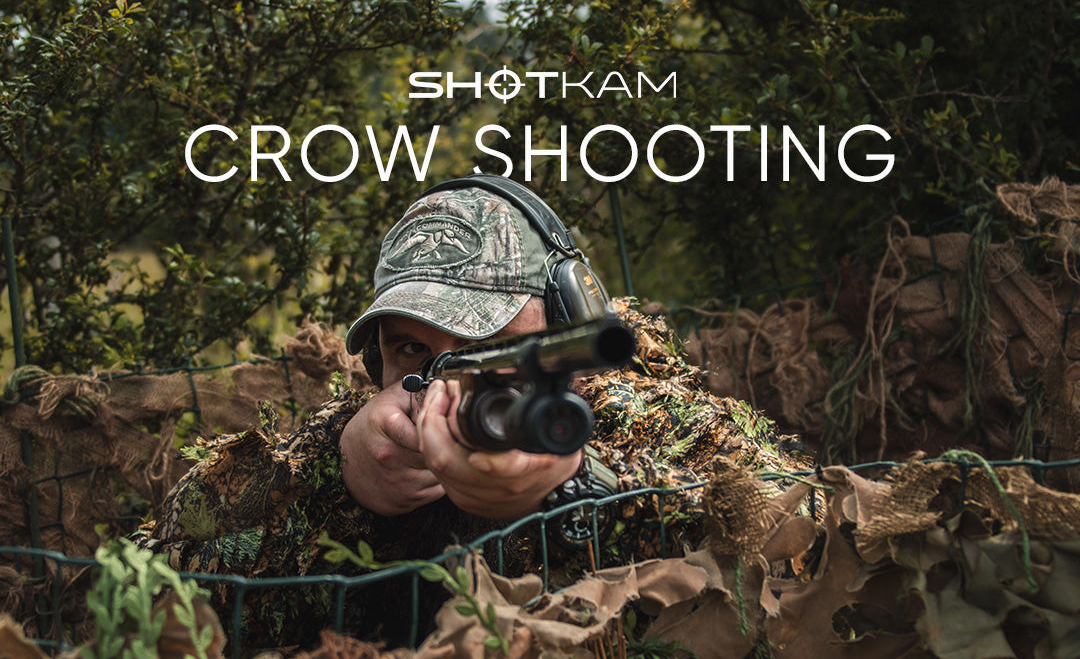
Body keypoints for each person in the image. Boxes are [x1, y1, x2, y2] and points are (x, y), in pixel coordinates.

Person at [137, 174, 809, 649]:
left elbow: (803, 529)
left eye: (491, 346)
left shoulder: (631, 409)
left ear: (567, 321)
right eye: (411, 349)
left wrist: (575, 490)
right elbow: (138, 588)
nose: (446, 379)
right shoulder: (364, 434)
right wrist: (334, 476)